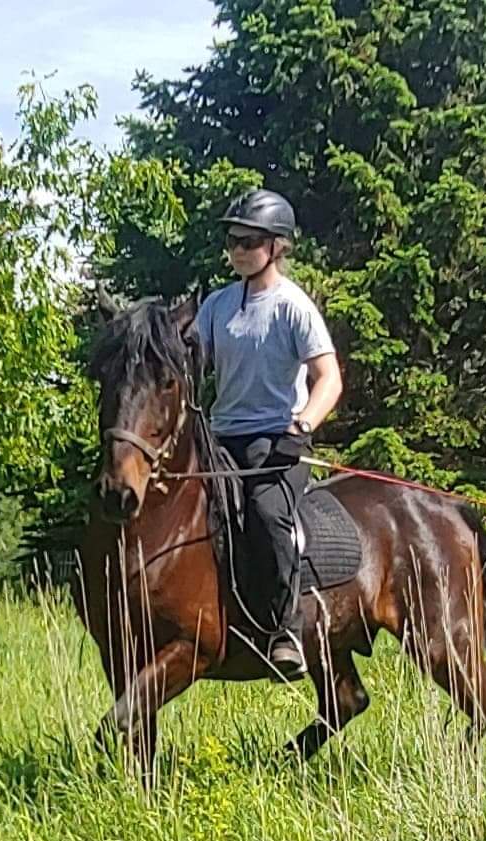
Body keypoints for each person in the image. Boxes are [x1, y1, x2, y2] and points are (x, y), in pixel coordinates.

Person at [194, 188, 343, 680]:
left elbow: (329, 378)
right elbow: (191, 363)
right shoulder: (216, 306)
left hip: (276, 443)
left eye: (249, 240)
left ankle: (286, 632)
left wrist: (301, 427)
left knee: (267, 513)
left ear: (277, 246)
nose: (237, 249)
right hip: (221, 439)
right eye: (232, 239)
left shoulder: (292, 307)